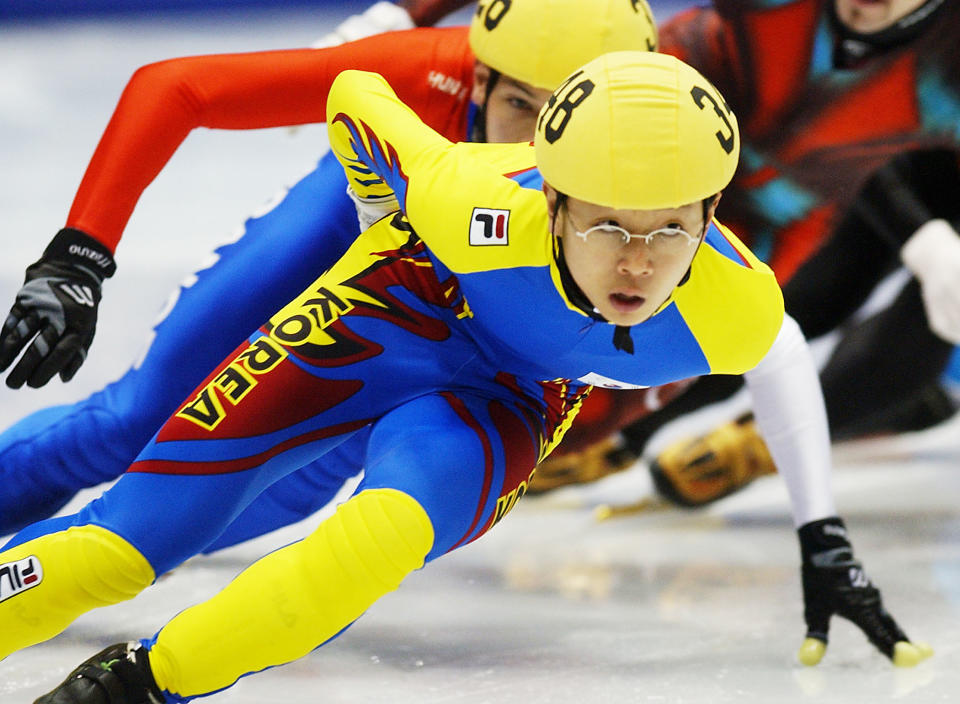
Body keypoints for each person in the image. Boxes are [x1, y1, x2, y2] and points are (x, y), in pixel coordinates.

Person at [1, 51, 928, 704]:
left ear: (713, 213)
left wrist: (824, 537)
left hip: (506, 400)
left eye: (671, 230)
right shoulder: (469, 195)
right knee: (124, 545)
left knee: (370, 544)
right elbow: (357, 95)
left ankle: (133, 691)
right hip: (388, 311)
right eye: (607, 225)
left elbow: (781, 367)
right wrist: (383, 225)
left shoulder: (735, 302)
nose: (638, 265)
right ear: (552, 197)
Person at [0, 0, 657, 541]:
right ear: (478, 79)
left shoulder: (654, 151)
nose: (531, 146)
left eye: (563, 121)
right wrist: (77, 256)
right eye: (518, 105)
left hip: (443, 296)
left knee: (290, 480)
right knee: (131, 423)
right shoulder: (426, 73)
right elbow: (175, 88)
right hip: (354, 227)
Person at [525, 0, 960, 503]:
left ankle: (760, 443)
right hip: (863, 175)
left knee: (939, 309)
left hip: (856, 167)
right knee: (794, 297)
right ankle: (629, 433)